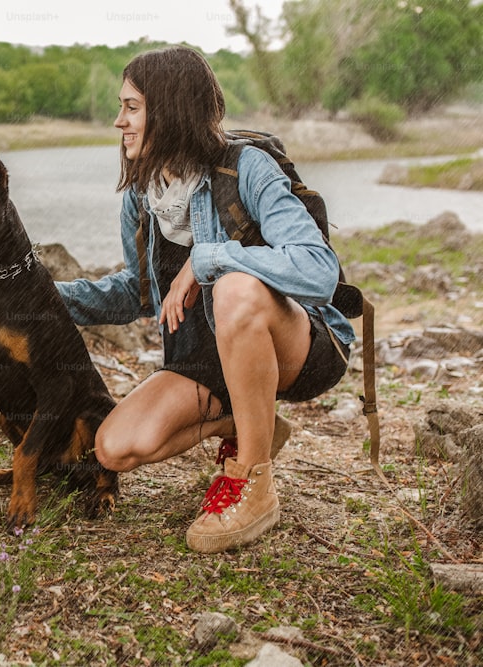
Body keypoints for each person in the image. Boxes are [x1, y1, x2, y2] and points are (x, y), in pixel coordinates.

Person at [56, 46, 355, 553]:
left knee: (236, 289)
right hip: (205, 359)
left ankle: (253, 482)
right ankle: (244, 419)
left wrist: (210, 258)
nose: (118, 121)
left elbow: (318, 272)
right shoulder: (143, 194)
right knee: (114, 446)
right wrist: (45, 297)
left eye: (131, 107)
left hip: (299, 346)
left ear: (169, 110)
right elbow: (139, 292)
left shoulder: (247, 168)